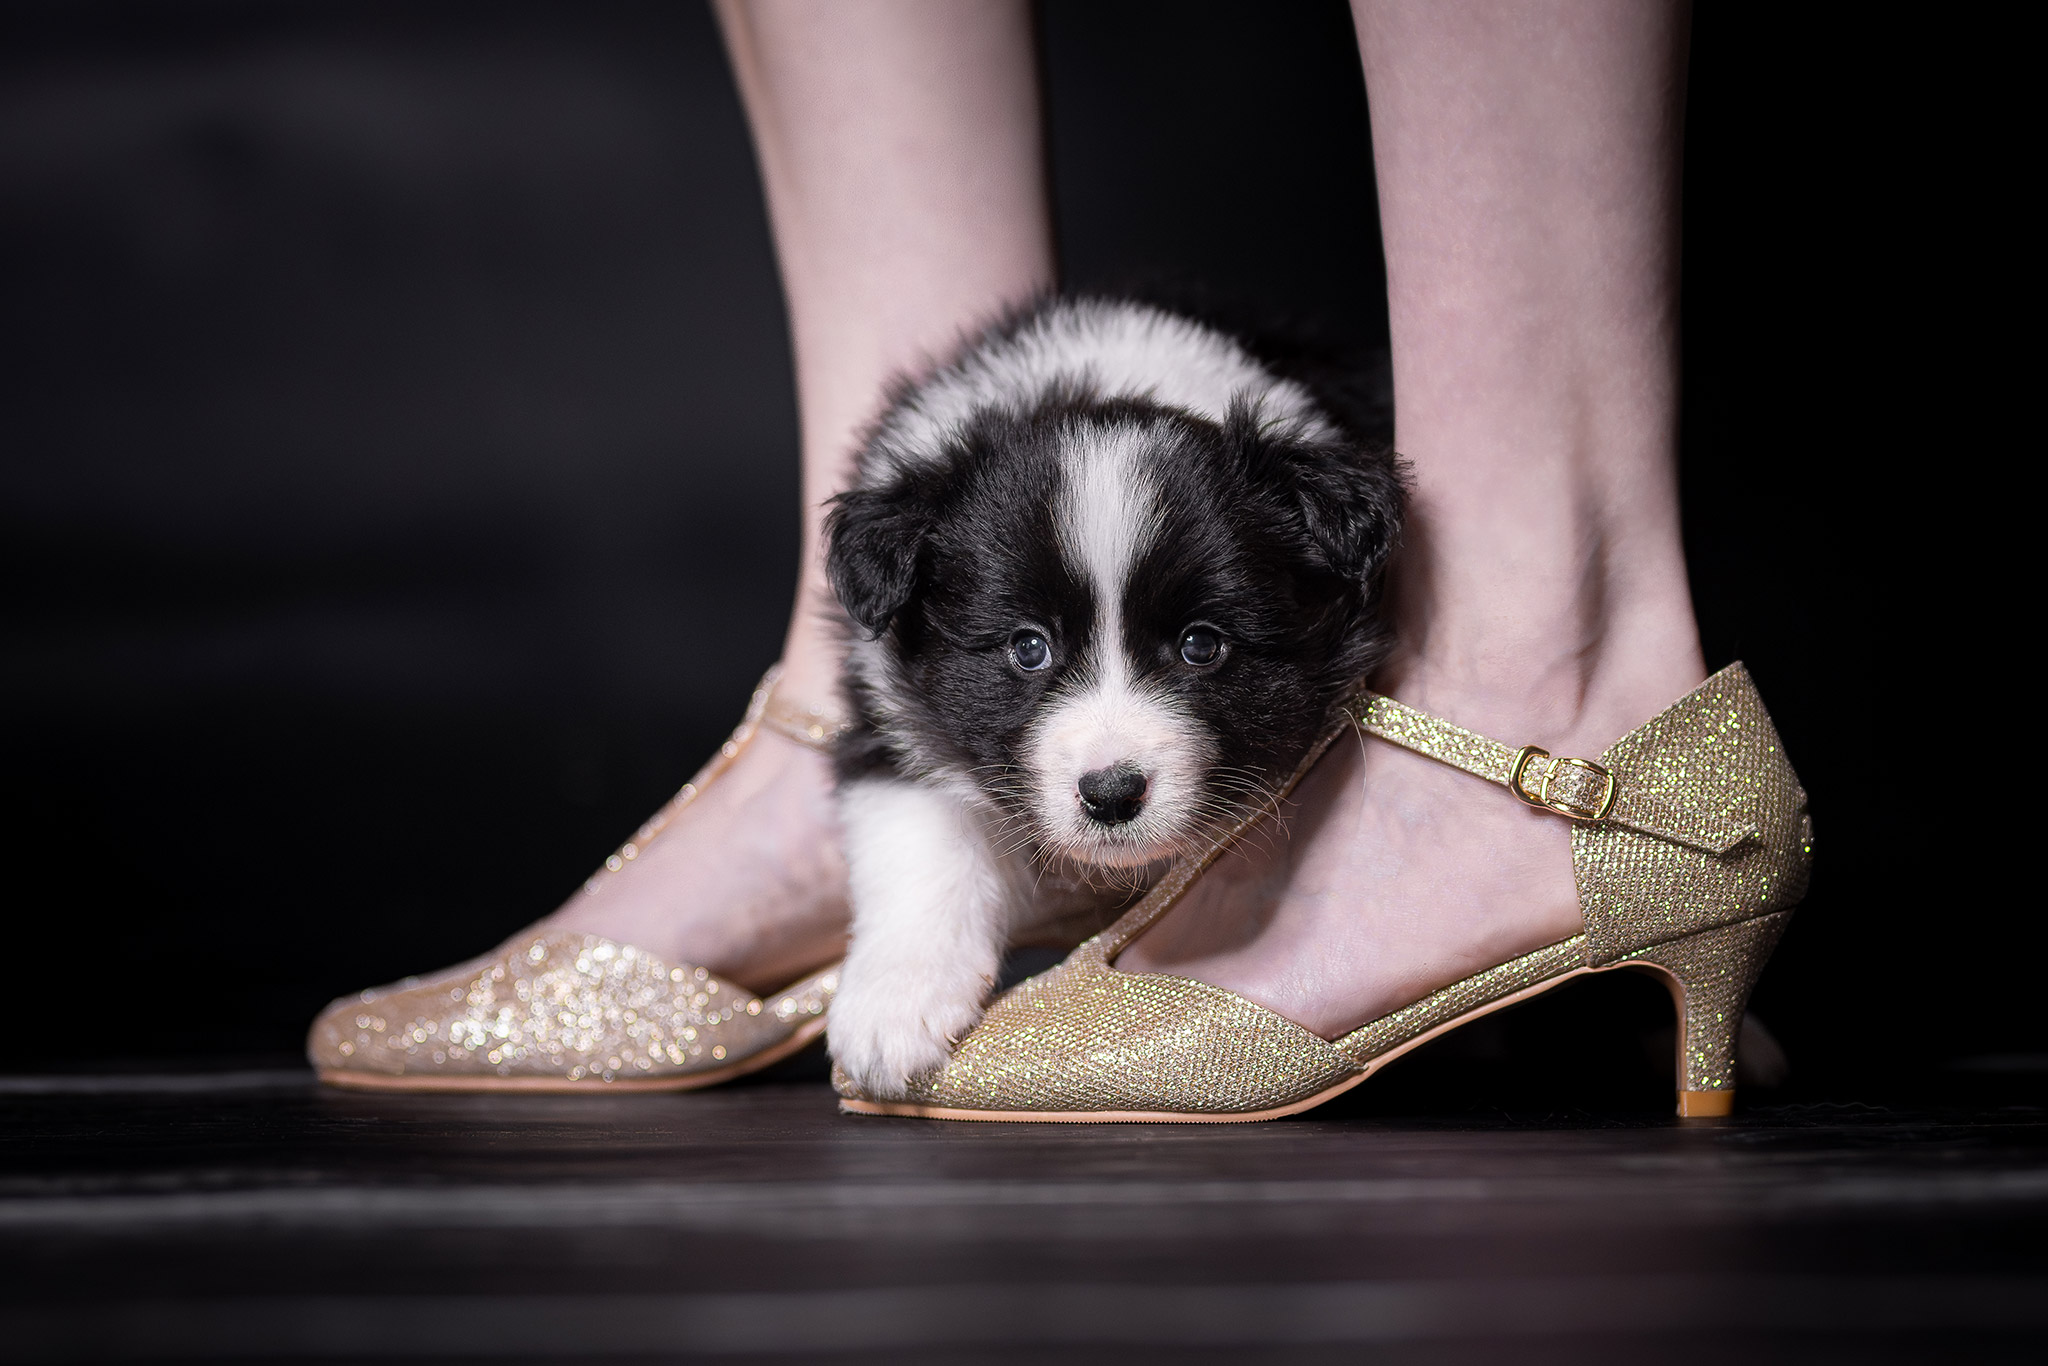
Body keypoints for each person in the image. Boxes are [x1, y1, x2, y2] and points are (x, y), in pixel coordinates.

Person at [311, 1, 1805, 1114]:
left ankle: (1558, 710)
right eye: (1031, 649)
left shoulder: (1288, 494)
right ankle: (822, 748)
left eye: (1198, 645)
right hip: (998, 504)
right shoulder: (945, 535)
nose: (1108, 748)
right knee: (916, 769)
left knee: (1439, 665)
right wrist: (928, 923)